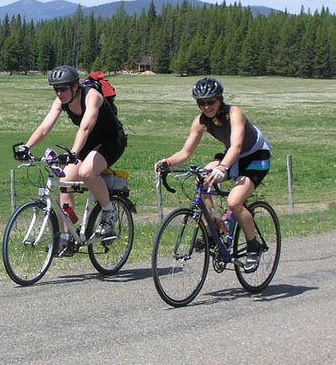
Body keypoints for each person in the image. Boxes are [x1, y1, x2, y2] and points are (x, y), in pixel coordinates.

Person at [154, 77, 271, 273]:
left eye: (211, 102)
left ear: (220, 99)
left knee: (234, 202)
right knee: (201, 177)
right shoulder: (201, 121)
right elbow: (185, 152)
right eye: (201, 103)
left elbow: (236, 146)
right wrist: (166, 163)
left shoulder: (234, 113)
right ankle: (214, 225)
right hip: (233, 157)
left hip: (254, 157)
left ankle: (253, 246)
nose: (206, 107)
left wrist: (223, 167)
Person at [14, 65, 127, 256]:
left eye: (63, 88)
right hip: (88, 143)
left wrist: (74, 152)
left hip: (111, 140)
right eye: (55, 89)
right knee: (64, 179)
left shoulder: (92, 96)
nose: (59, 93)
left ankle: (109, 212)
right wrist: (26, 147)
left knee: (86, 172)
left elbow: (85, 127)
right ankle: (66, 238)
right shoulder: (61, 101)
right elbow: (44, 127)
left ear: (76, 86)